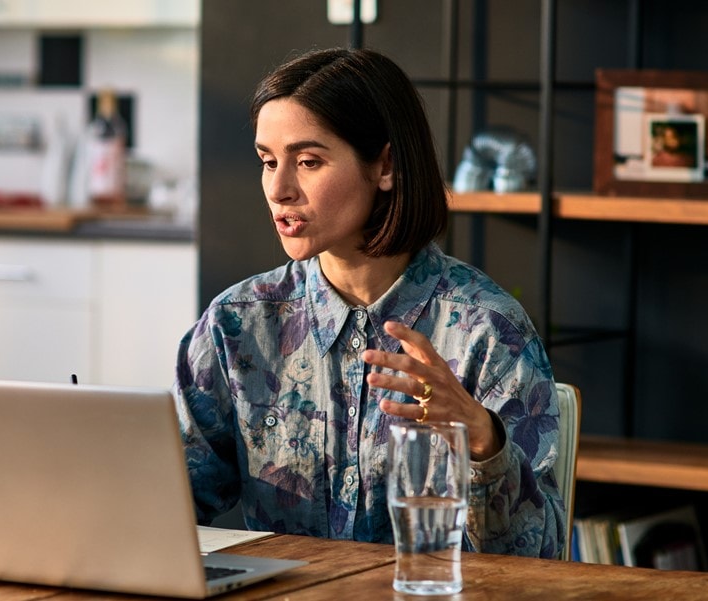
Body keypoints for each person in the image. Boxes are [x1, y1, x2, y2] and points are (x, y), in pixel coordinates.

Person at [173, 47, 564, 559]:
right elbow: (169, 507)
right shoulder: (235, 324)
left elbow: (543, 556)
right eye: (268, 161)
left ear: (385, 165)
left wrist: (484, 442)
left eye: (308, 162)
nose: (279, 188)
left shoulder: (486, 330)